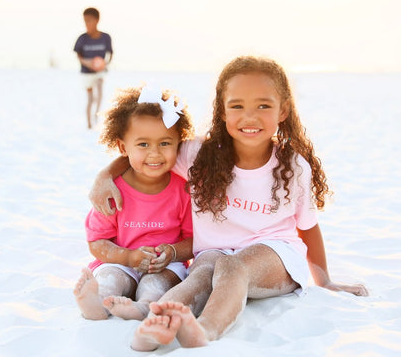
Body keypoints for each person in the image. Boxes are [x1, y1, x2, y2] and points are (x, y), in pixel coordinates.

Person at [88, 56, 369, 351]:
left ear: (283, 110)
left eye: (263, 105)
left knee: (233, 267)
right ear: (222, 110)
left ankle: (206, 329)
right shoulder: (199, 154)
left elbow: (308, 227)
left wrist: (325, 281)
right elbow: (153, 151)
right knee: (200, 275)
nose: (250, 117)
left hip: (275, 255)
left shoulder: (293, 166)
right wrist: (105, 176)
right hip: (213, 253)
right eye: (237, 106)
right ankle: (153, 321)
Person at [74, 84, 195, 321]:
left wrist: (171, 252)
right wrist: (128, 258)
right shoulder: (112, 191)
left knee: (155, 284)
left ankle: (143, 307)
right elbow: (97, 242)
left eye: (165, 143)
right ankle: (96, 305)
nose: (155, 153)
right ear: (122, 147)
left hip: (166, 265)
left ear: (178, 144)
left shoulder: (183, 190)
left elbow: (194, 240)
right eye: (143, 144)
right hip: (121, 260)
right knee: (110, 278)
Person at [73, 7, 113, 129]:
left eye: (89, 20)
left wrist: (105, 63)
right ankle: (89, 124)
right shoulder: (82, 38)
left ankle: (97, 115)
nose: (87, 24)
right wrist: (87, 63)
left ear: (96, 20)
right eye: (85, 21)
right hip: (86, 73)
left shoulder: (105, 37)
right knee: (91, 99)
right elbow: (78, 55)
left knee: (100, 90)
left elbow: (110, 54)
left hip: (99, 71)